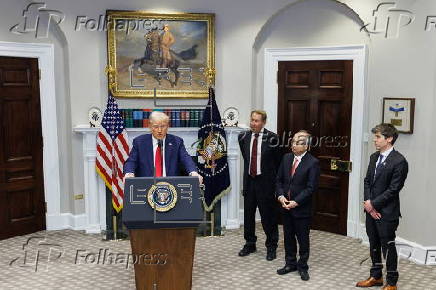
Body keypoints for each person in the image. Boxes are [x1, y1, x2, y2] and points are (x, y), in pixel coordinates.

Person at [356, 124, 408, 290]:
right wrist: (368, 203)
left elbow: (393, 189)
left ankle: (392, 282)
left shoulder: (400, 161)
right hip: (371, 210)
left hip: (387, 213)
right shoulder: (373, 157)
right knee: (374, 244)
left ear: (389, 139)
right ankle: (376, 276)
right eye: (375, 137)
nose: (375, 140)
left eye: (378, 137)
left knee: (388, 246)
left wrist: (373, 204)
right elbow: (367, 182)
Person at [275, 130, 320, 281]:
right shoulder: (286, 158)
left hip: (302, 209)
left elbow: (311, 188)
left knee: (303, 239)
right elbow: (279, 180)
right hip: (285, 206)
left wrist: (296, 202)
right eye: (293, 141)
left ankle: (302, 266)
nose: (294, 145)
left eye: (298, 142)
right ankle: (290, 263)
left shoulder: (313, 162)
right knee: (288, 237)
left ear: (307, 146)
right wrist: (281, 196)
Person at [238, 110, 281, 261]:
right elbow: (247, 158)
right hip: (250, 181)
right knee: (248, 215)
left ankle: (271, 246)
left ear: (264, 122)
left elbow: (278, 163)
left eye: (256, 121)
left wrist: (276, 185)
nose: (253, 123)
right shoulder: (242, 137)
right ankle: (250, 243)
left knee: (268, 216)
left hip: (266, 183)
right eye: (252, 120)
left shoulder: (273, 138)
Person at [124, 111, 203, 184]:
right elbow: (131, 161)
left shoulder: (177, 142)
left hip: (171, 186)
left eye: (163, 126)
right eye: (156, 127)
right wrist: (129, 174)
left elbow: (186, 158)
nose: (159, 130)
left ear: (168, 126)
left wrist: (193, 173)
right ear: (150, 127)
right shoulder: (140, 142)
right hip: (146, 185)